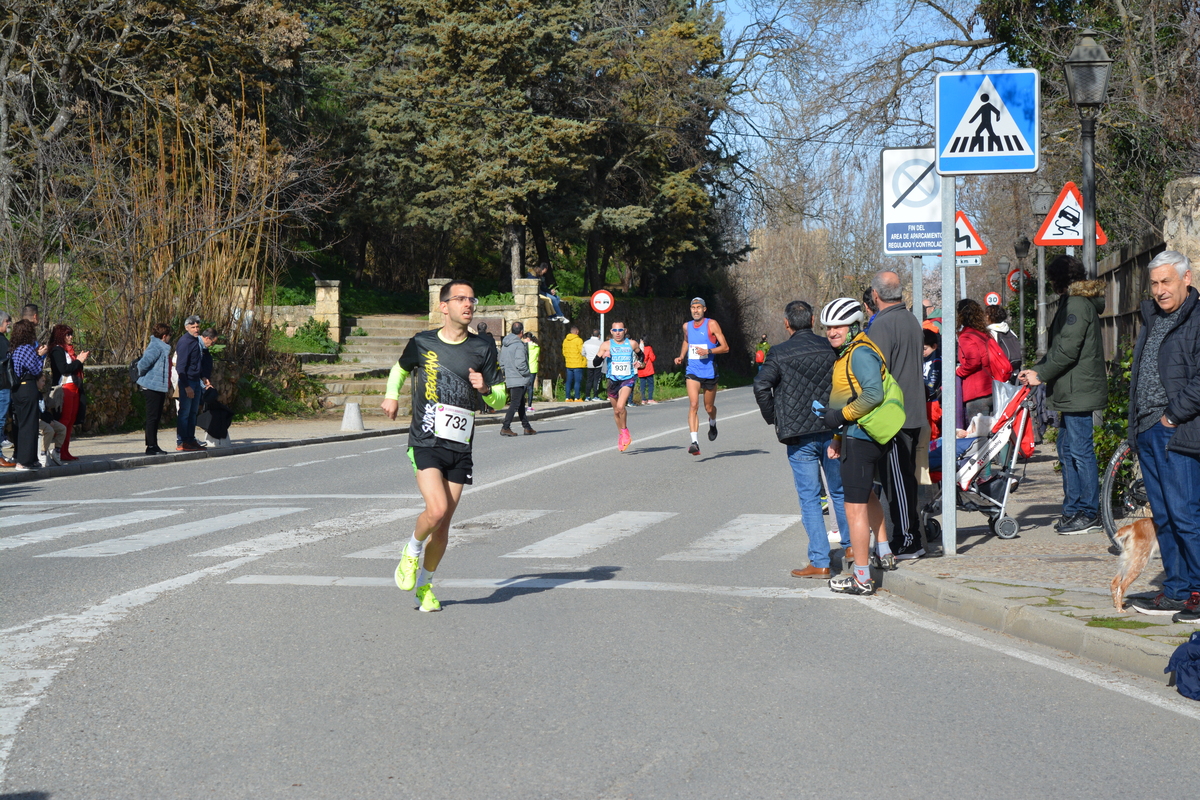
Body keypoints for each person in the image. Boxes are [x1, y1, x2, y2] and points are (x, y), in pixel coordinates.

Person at [383, 279, 507, 613]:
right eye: (461, 299)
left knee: (443, 525)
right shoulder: (423, 342)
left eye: (472, 299)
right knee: (435, 510)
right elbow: (399, 369)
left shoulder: (483, 347)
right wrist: (392, 395)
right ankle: (410, 551)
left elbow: (500, 398)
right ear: (444, 306)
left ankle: (424, 586)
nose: (469, 304)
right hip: (425, 440)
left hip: (460, 445)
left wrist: (485, 389)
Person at [1124, 251, 1200, 619]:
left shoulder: (1197, 318)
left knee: (1186, 515)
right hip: (1148, 429)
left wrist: (1173, 415)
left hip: (1178, 431)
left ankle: (1198, 592)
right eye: (1154, 284)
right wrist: (1137, 426)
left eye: (1166, 281)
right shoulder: (1152, 318)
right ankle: (1176, 590)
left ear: (1186, 278)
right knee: (1165, 517)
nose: (1159, 290)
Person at [753, 300, 851, 578]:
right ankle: (851, 548)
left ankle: (820, 561)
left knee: (810, 498)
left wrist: (775, 418)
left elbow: (761, 384)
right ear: (812, 320)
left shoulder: (779, 352)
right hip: (833, 429)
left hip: (799, 437)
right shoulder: (830, 347)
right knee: (840, 490)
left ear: (787, 324)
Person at [1019, 255, 1107, 535]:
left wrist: (1040, 374)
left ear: (1058, 281)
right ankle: (1074, 509)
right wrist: (1037, 370)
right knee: (1067, 450)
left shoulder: (1077, 304)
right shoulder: (1075, 302)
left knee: (1080, 452)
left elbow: (1067, 349)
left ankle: (1089, 512)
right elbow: (1062, 348)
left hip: (1078, 390)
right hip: (1072, 389)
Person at [819, 298, 900, 595]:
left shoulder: (860, 353)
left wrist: (839, 417)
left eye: (838, 326)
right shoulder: (852, 350)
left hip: (861, 437)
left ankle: (862, 577)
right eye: (828, 327)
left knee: (853, 510)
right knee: (866, 496)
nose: (832, 332)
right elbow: (851, 394)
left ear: (854, 326)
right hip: (856, 436)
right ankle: (884, 551)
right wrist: (838, 437)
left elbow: (873, 395)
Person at [868, 270, 930, 560]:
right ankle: (908, 535)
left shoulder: (882, 326)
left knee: (899, 482)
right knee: (904, 478)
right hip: (914, 410)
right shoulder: (910, 319)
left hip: (894, 416)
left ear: (875, 295)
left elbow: (875, 376)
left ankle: (908, 539)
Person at [674, 297, 729, 455]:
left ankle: (712, 422)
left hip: (710, 372)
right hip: (693, 371)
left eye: (699, 307)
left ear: (704, 309)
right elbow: (686, 341)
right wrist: (681, 356)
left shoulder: (711, 324)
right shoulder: (687, 326)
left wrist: (708, 351)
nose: (695, 310)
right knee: (693, 405)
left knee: (709, 407)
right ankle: (694, 442)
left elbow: (725, 347)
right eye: (693, 308)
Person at [8, 319, 48, 470]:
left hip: (17, 390)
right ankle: (25, 461)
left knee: (23, 424)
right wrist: (40, 355)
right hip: (27, 387)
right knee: (30, 425)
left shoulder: (14, 349)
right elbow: (36, 369)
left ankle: (29, 459)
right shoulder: (26, 349)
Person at [595, 320, 640, 452]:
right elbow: (595, 362)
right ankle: (621, 434)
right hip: (612, 380)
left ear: (625, 331)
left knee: (621, 407)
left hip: (627, 379)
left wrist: (640, 363)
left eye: (620, 330)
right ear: (611, 332)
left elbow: (641, 356)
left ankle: (625, 432)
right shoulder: (606, 345)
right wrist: (603, 356)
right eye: (615, 330)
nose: (618, 333)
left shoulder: (632, 344)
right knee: (616, 411)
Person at [47, 324, 89, 462]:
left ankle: (65, 450)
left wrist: (78, 361)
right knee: (65, 419)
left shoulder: (68, 350)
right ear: (60, 336)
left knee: (70, 420)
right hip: (65, 387)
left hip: (74, 386)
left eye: (71, 334)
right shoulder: (57, 351)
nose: (71, 337)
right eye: (67, 335)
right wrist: (79, 361)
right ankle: (59, 450)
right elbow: (64, 369)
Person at [957, 298, 998, 421]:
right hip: (991, 387)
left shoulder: (966, 336)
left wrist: (959, 371)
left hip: (976, 391)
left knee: (977, 434)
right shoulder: (984, 334)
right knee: (991, 433)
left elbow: (973, 361)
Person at [135, 322, 172, 455]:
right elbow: (143, 364)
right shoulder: (156, 347)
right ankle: (151, 446)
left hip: (158, 387)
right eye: (169, 335)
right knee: (152, 417)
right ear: (164, 336)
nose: (169, 338)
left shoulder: (161, 347)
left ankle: (154, 445)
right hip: (151, 386)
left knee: (155, 417)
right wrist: (150, 378)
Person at [498, 321, 536, 436]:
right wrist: (526, 373)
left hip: (510, 376)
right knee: (515, 403)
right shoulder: (519, 345)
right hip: (519, 377)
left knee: (520, 403)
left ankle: (527, 427)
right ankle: (505, 426)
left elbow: (502, 362)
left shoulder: (505, 344)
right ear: (522, 332)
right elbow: (521, 363)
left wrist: (508, 371)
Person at [175, 315, 205, 451]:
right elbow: (180, 367)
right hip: (188, 381)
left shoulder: (196, 341)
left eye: (197, 326)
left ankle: (191, 439)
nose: (196, 329)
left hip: (196, 380)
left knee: (193, 412)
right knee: (185, 413)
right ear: (187, 328)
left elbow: (197, 362)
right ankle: (182, 441)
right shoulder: (185, 342)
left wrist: (203, 377)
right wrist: (186, 386)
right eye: (193, 327)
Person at [35, 374, 65, 466]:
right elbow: (37, 412)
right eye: (42, 381)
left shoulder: (40, 394)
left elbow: (44, 410)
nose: (44, 384)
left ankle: (56, 451)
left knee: (62, 428)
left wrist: (51, 419)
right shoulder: (33, 394)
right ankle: (43, 453)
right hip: (37, 420)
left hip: (45, 419)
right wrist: (48, 421)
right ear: (36, 381)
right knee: (49, 430)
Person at [986, 304, 1022, 380]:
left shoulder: (990, 333)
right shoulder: (1010, 331)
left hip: (1000, 372)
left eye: (986, 315)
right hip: (1014, 370)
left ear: (990, 317)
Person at [923, 327, 943, 440]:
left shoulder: (937, 362)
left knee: (932, 431)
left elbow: (933, 382)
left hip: (933, 402)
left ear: (934, 347)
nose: (922, 352)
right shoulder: (922, 360)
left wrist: (925, 389)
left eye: (925, 349)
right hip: (924, 400)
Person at [0, 311, 14, 467]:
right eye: (7, 321)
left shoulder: (3, 340)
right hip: (2, 385)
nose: (9, 323)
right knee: (0, 420)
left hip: (3, 385)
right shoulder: (1, 341)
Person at [562, 325, 586, 401]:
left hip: (569, 364)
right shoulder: (579, 340)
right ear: (577, 332)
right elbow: (582, 352)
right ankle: (577, 397)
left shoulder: (565, 340)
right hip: (577, 364)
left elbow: (564, 352)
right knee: (577, 382)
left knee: (568, 381)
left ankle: (567, 397)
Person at [582, 328, 603, 401]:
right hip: (598, 363)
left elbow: (583, 353)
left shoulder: (586, 343)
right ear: (599, 336)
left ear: (591, 335)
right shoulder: (601, 343)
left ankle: (587, 396)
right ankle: (595, 395)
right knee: (596, 380)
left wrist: (588, 357)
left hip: (589, 363)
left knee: (589, 380)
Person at [522, 332, 540, 412]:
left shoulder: (524, 346)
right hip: (533, 368)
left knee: (523, 387)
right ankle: (529, 406)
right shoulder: (537, 346)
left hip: (525, 368)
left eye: (524, 339)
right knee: (530, 388)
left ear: (527, 339)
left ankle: (521, 404)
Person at [636, 337, 657, 404]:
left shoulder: (637, 349)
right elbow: (652, 358)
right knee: (650, 384)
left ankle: (643, 399)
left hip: (641, 369)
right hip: (648, 369)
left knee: (642, 384)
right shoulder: (648, 348)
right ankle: (650, 398)